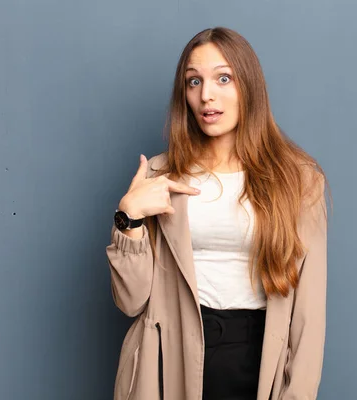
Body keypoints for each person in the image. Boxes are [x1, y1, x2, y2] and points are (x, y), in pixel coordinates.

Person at [106, 26, 329, 400]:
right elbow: (130, 302)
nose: (206, 95)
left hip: (258, 355)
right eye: (194, 82)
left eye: (223, 78)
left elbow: (309, 313)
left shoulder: (299, 181)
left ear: (249, 87)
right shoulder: (160, 177)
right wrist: (129, 217)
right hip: (171, 359)